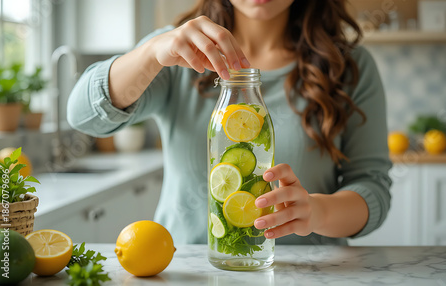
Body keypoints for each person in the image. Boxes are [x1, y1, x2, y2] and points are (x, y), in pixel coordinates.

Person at [68, 0, 392, 245]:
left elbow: (372, 187)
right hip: (185, 269)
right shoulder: (175, 51)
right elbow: (83, 116)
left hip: (310, 273)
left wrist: (317, 212)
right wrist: (151, 52)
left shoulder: (348, 66)